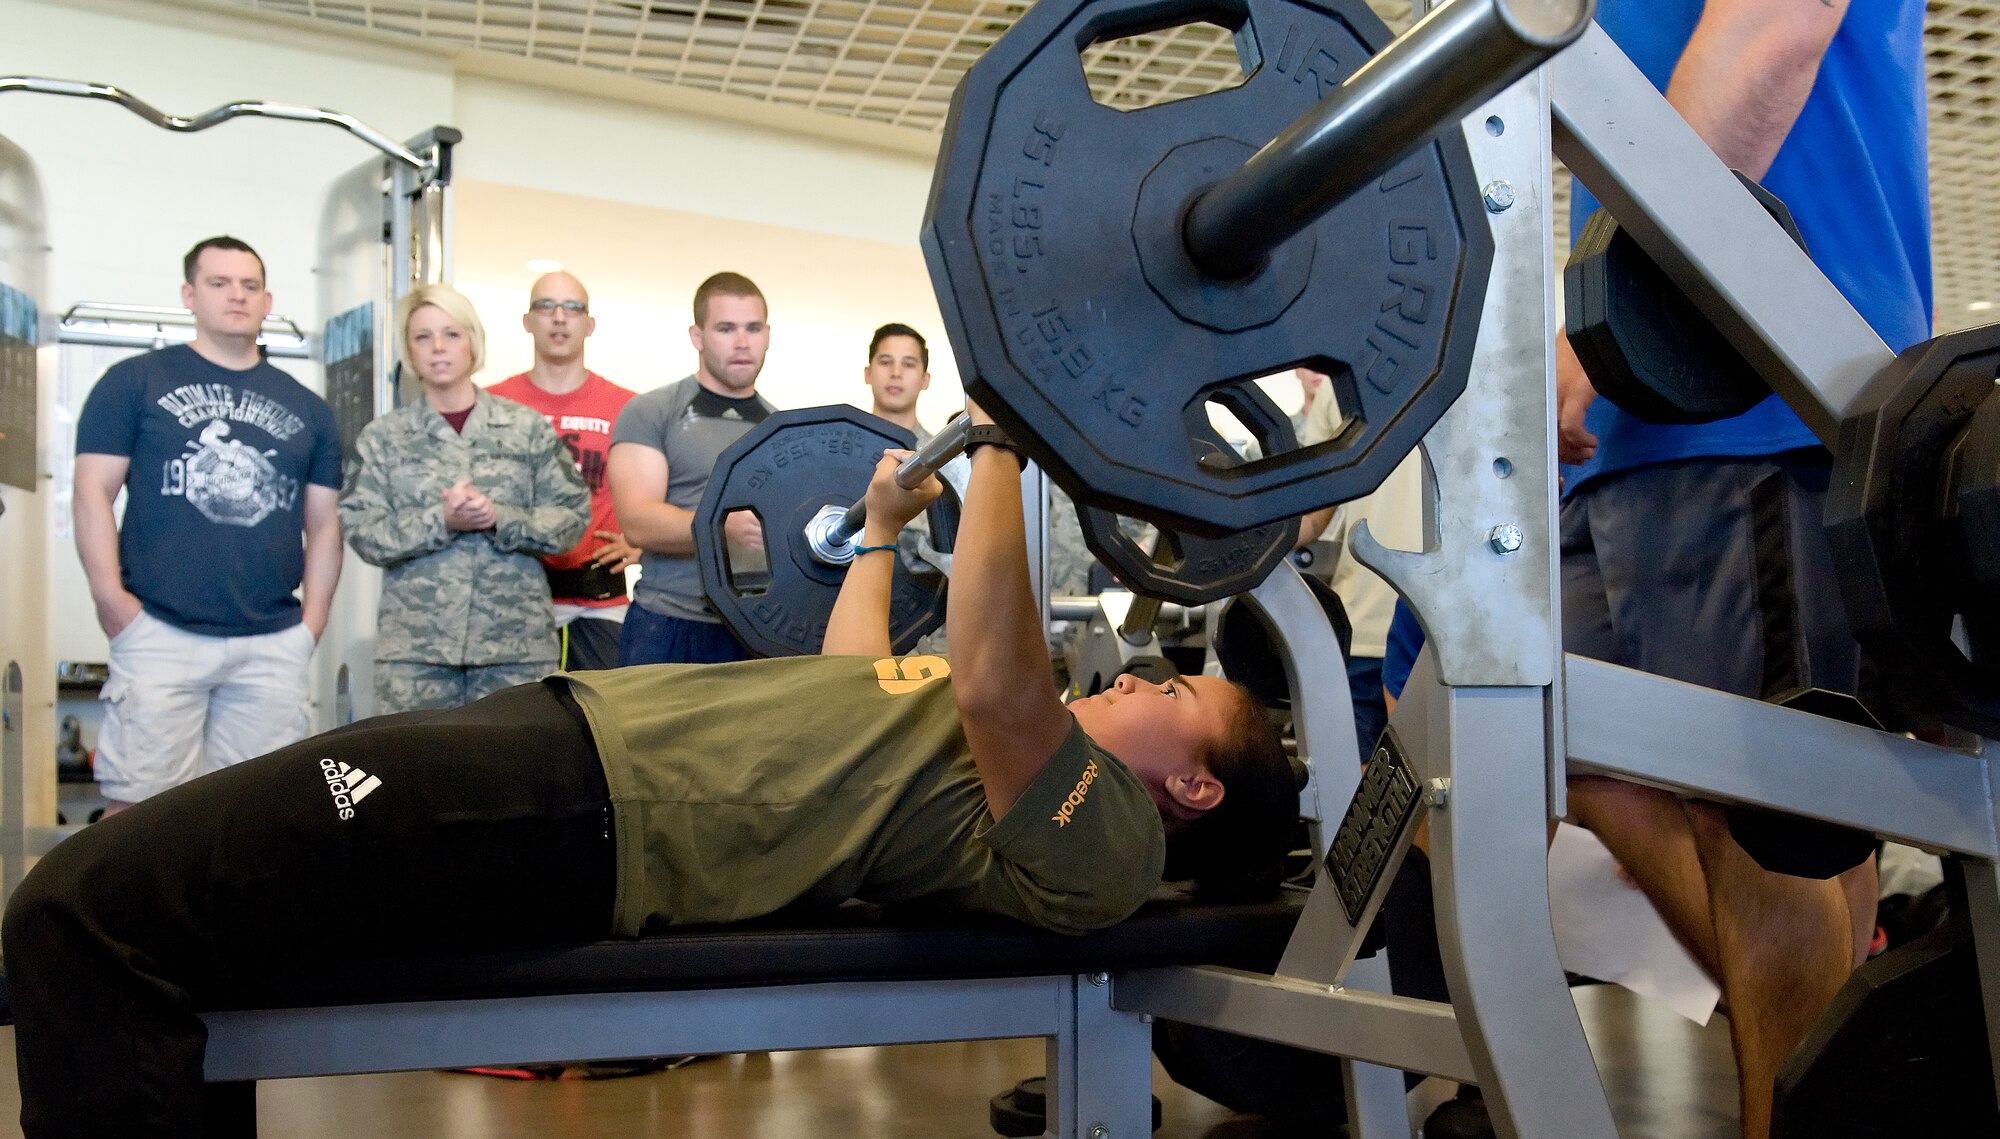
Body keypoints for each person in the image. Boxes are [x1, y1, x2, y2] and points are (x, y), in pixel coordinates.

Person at [1, 403, 1298, 1138]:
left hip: (583, 813)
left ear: (1189, 789)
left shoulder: (1106, 843)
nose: (1135, 677)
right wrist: (890, 528)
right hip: (565, 746)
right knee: (177, 926)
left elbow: (997, 677)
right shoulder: (1018, 754)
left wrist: (1008, 446)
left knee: (86, 914)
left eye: (1172, 691)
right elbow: (861, 660)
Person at [1557, 4, 1929, 1137]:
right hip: (1644, 403)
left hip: (1756, 380)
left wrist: (1594, 329)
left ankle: (1804, 1076)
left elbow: (1774, 28)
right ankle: (1831, 1014)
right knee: (1572, 749)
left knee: (1771, 823)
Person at [71, 236, 343, 815]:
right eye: (219, 284)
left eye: (249, 286)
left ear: (268, 301)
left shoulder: (308, 409)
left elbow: (324, 525)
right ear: (190, 295)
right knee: (136, 814)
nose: (236, 296)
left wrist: (311, 625)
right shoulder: (133, 382)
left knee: (258, 815)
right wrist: (111, 601)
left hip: (271, 641)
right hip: (159, 632)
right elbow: (93, 491)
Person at [339, 283, 589, 714]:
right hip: (416, 654)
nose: (438, 347)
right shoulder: (384, 438)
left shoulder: (525, 428)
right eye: (423, 337)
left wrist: (499, 517)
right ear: (409, 351)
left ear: (473, 343)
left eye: (451, 334)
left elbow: (571, 516)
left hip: (515, 650)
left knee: (513, 772)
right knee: (416, 773)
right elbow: (363, 531)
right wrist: (442, 521)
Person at [608, 271, 777, 665]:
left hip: (759, 627)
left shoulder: (781, 429)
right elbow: (637, 521)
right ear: (697, 336)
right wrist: (721, 529)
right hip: (669, 623)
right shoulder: (652, 411)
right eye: (725, 328)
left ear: (767, 335)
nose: (741, 342)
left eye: (752, 328)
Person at [488, 272, 640, 671]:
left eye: (572, 308)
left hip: (602, 606)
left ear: (589, 325)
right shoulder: (492, 405)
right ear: (527, 321)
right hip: (513, 602)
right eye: (546, 306)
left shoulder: (628, 409)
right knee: (520, 730)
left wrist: (643, 543)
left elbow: (674, 494)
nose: (559, 318)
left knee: (601, 727)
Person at [861, 322, 933, 439]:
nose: (896, 373)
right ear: (867, 373)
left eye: (909, 364)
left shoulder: (943, 456)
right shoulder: (838, 449)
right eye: (885, 362)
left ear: (925, 380)